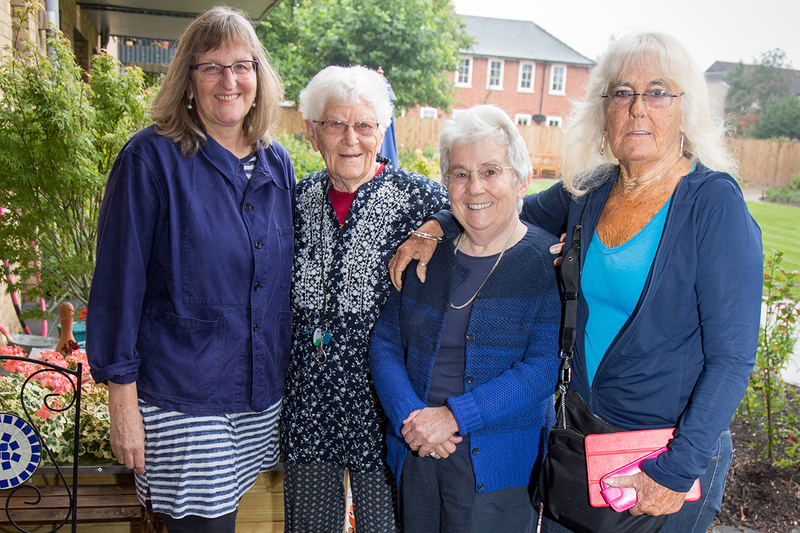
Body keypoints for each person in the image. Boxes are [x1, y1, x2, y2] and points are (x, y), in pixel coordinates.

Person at [390, 32, 762, 533]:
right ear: (603, 108)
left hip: (663, 452)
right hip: (586, 443)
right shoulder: (590, 191)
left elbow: (731, 358)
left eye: (657, 92)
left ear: (685, 108)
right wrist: (435, 225)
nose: (636, 109)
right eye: (621, 92)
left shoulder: (713, 206)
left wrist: (676, 470)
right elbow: (495, 207)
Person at [86, 7, 294, 532]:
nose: (229, 81)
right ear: (188, 80)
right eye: (211, 67)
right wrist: (122, 403)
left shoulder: (276, 162)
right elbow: (117, 285)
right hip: (183, 392)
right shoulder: (149, 158)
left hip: (256, 391)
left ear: (259, 77)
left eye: (242, 66)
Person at [369, 105, 561, 533]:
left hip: (499, 468)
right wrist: (411, 417)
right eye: (460, 173)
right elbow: (385, 342)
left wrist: (453, 418)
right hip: (417, 451)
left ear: (521, 180)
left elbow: (543, 370)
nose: (475, 187)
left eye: (491, 171)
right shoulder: (426, 254)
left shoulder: (547, 263)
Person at [280, 65, 449, 533]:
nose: (350, 138)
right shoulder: (297, 199)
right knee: (310, 525)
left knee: (385, 525)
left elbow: (475, 214)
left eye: (364, 125)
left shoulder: (418, 198)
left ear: (382, 131)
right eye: (336, 124)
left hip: (384, 402)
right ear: (313, 132)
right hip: (309, 398)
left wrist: (436, 227)